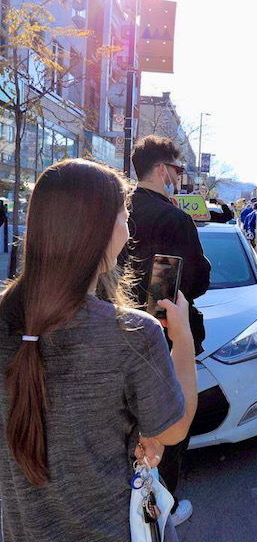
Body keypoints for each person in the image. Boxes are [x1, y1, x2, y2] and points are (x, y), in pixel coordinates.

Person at [0, 159, 197, 541]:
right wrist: (183, 339)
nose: (128, 229)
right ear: (99, 231)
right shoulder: (133, 333)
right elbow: (174, 430)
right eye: (124, 217)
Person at [122, 135, 211, 526]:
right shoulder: (173, 218)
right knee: (170, 425)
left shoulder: (118, 211)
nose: (178, 177)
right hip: (162, 334)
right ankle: (163, 510)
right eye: (176, 169)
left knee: (128, 428)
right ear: (161, 170)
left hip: (116, 331)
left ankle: (137, 502)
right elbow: (193, 279)